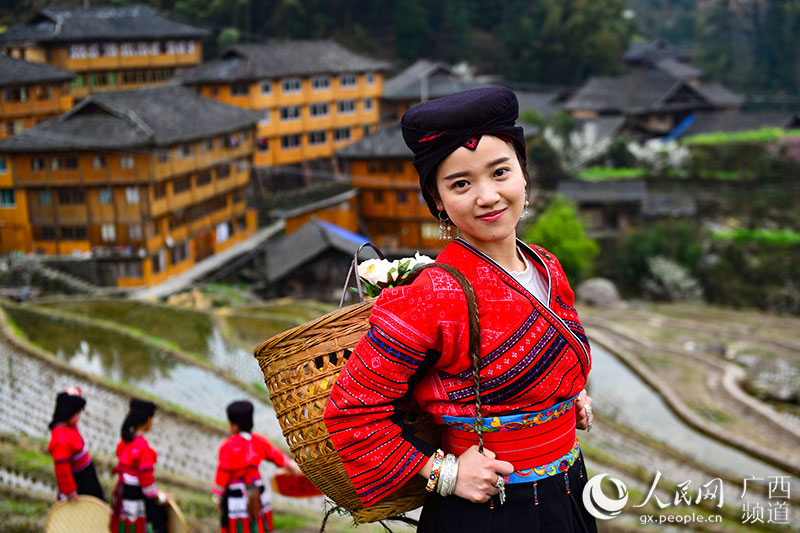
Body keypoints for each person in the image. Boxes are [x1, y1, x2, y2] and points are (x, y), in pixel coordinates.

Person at [323, 86, 596, 532]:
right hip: (489, 511)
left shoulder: (547, 265)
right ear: (438, 202)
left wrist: (568, 399)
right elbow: (351, 411)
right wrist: (444, 473)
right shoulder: (431, 295)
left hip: (567, 491)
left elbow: (555, 363)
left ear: (524, 175)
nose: (487, 196)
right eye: (461, 184)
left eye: (500, 172)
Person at [212, 400, 302, 533]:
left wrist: (217, 498)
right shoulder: (258, 441)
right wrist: (293, 467)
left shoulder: (227, 446)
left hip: (237, 498)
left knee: (238, 527)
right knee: (257, 525)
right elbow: (276, 456)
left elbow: (222, 475)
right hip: (257, 493)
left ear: (234, 426)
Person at [110, 398, 168, 533]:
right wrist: (159, 496)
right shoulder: (144, 450)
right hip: (135, 498)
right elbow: (147, 484)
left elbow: (122, 469)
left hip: (122, 493)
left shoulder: (125, 443)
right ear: (148, 421)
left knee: (123, 526)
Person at [48, 386, 105, 502]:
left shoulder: (69, 427)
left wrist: (75, 393)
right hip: (79, 481)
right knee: (83, 509)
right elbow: (62, 469)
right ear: (68, 413)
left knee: (95, 502)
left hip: (87, 475)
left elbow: (74, 394)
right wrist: (70, 492)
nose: (79, 416)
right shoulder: (60, 440)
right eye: (78, 413)